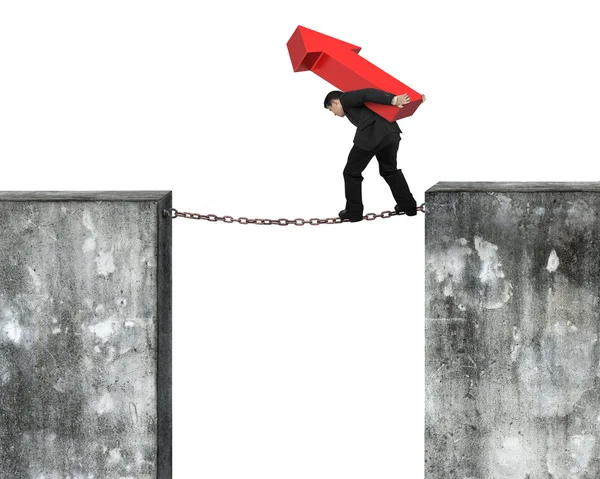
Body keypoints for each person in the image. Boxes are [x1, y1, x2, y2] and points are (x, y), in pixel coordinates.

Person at [324, 88, 425, 222]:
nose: (334, 114)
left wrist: (394, 100)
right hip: (391, 133)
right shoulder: (354, 108)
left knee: (351, 172)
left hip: (372, 135)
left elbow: (367, 93)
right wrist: (415, 101)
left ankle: (354, 212)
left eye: (331, 110)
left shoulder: (345, 99)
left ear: (335, 102)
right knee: (389, 170)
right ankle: (408, 206)